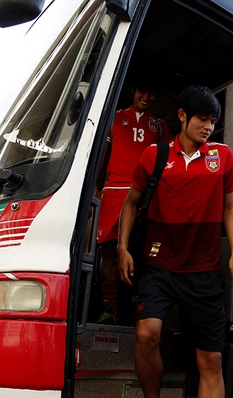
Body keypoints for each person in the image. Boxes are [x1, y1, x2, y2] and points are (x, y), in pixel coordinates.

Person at [117, 85, 233, 398]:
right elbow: (131, 203)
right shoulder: (154, 155)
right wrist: (122, 247)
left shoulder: (223, 156)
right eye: (202, 118)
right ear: (183, 115)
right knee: (147, 334)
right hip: (159, 265)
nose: (208, 126)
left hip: (203, 271)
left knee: (211, 359)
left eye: (213, 121)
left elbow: (229, 209)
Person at [96, 77, 170, 324]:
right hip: (114, 192)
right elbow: (101, 157)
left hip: (144, 196)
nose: (146, 98)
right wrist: (95, 188)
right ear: (132, 89)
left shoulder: (160, 126)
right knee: (108, 250)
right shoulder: (114, 118)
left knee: (143, 251)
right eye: (142, 91)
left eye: (151, 94)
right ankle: (110, 310)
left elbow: (164, 166)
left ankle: (138, 307)